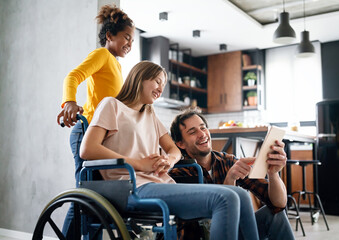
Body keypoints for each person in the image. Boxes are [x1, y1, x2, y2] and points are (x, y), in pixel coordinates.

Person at [79, 60, 261, 240]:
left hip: (160, 183)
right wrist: (139, 164)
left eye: (163, 84)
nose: (160, 88)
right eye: (157, 81)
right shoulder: (112, 105)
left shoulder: (149, 113)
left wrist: (169, 160)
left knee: (240, 195)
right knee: (225, 198)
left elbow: (173, 149)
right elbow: (87, 149)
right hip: (131, 187)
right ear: (139, 77)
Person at [56, 5, 135, 238]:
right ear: (109, 36)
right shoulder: (102, 55)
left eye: (132, 40)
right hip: (86, 131)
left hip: (101, 138)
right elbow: (72, 76)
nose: (130, 43)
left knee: (97, 197)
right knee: (86, 195)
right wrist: (69, 102)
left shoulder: (118, 65)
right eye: (126, 38)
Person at [169, 109, 295, 240]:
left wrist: (273, 173)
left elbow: (278, 204)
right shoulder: (179, 173)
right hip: (203, 236)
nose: (202, 134)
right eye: (193, 132)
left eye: (203, 128)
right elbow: (209, 224)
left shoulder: (227, 161)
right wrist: (230, 180)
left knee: (274, 214)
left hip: (233, 233)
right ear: (180, 143)